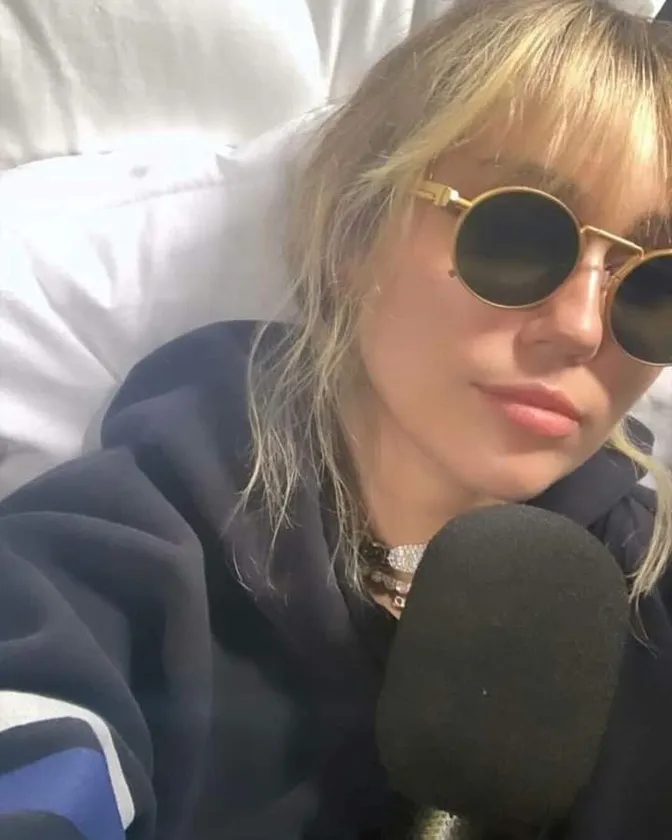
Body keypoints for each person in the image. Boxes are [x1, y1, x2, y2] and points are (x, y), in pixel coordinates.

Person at [1, 0, 672, 837]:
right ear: (357, 229)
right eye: (518, 234)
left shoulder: (648, 607)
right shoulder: (117, 559)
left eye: (655, 281)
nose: (580, 328)